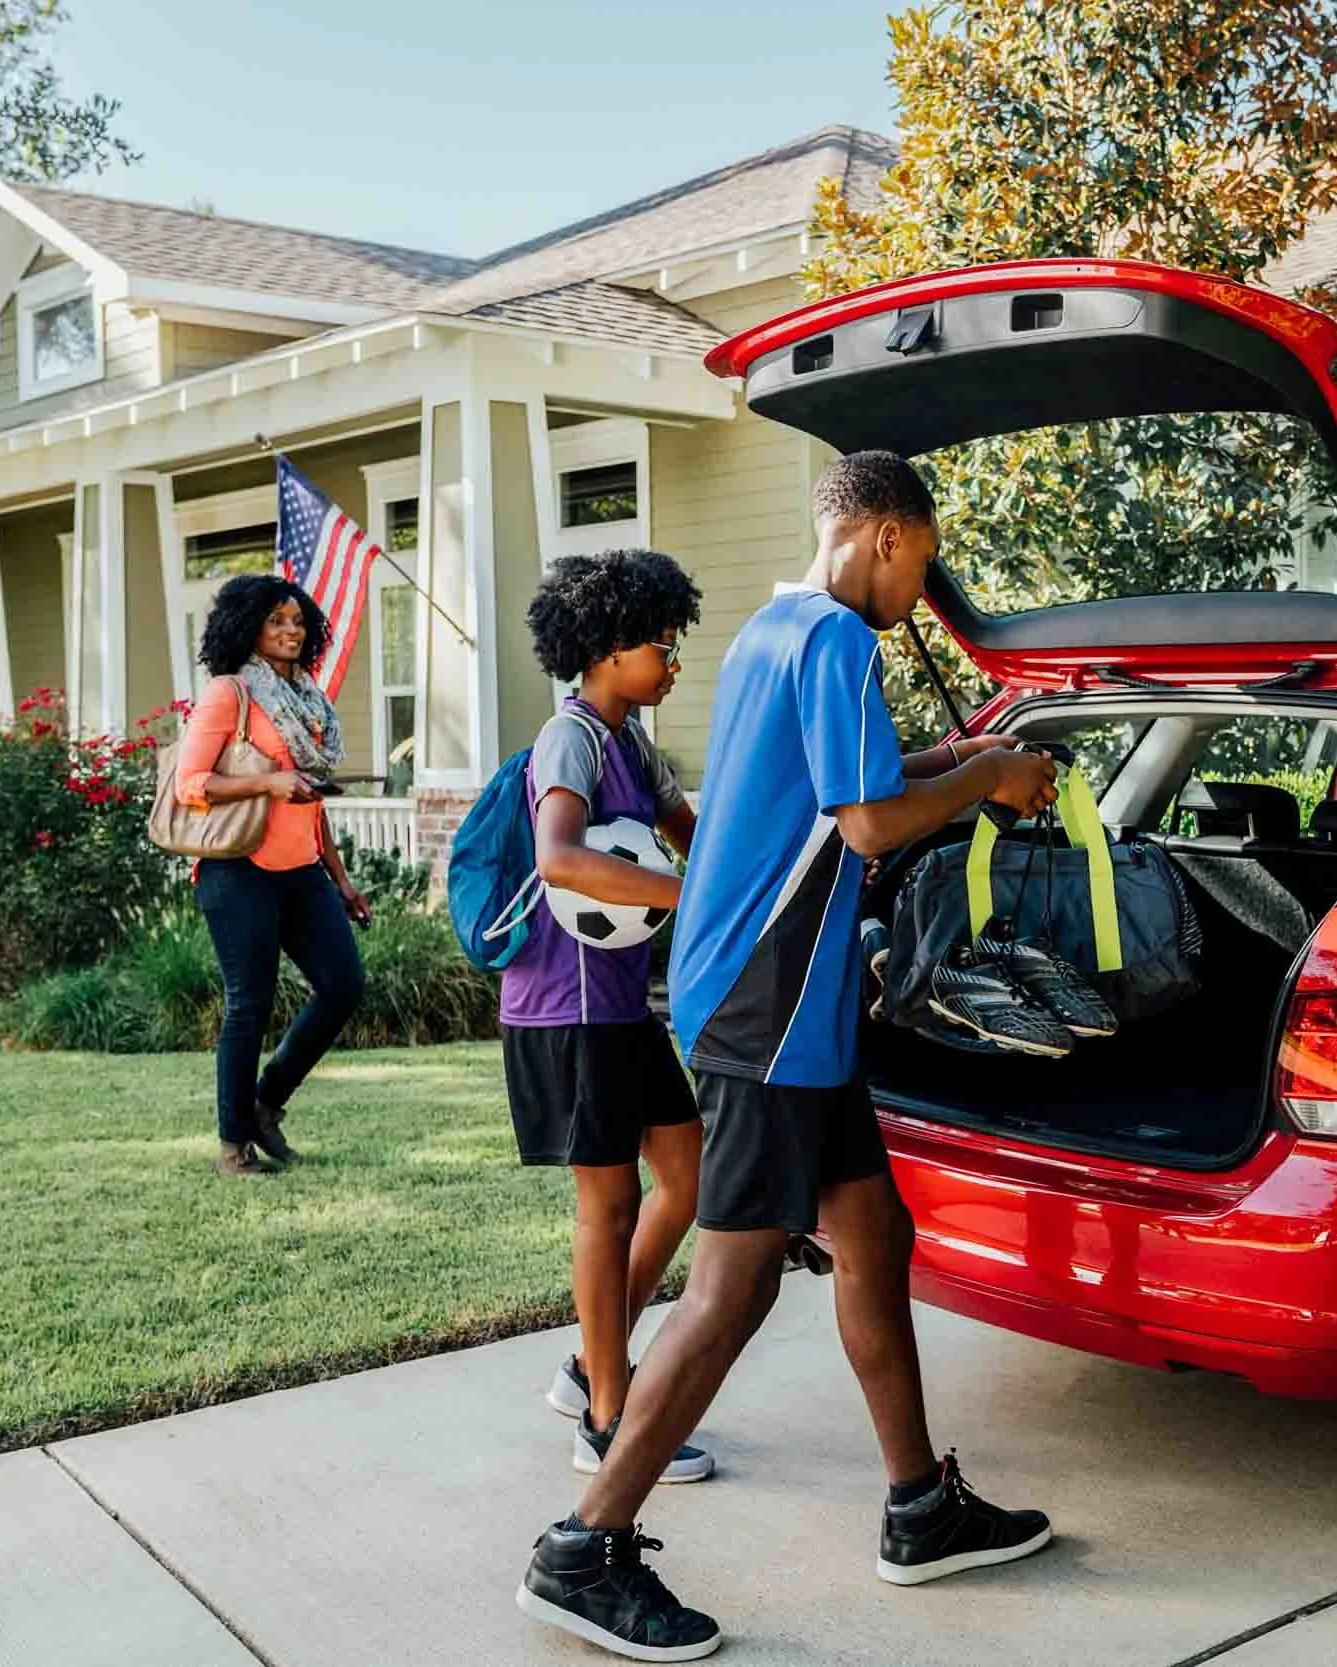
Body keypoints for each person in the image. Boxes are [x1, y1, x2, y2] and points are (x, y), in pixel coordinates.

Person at [517, 452, 1061, 1661]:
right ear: (877, 535)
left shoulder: (780, 629)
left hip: (783, 1007)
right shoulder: (834, 643)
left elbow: (845, 790)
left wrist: (971, 757)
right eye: (921, 559)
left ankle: (920, 1506)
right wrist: (985, 778)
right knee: (736, 1285)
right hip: (767, 1005)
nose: (923, 584)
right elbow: (868, 824)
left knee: (873, 1238)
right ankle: (582, 1547)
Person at [507, 549, 716, 1485]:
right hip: (568, 1008)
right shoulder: (575, 740)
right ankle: (606, 1418)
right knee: (610, 1201)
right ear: (602, 648)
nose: (672, 659)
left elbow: (696, 838)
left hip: (623, 1004)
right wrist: (689, 893)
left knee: (688, 1175)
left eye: (673, 641)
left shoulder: (633, 744)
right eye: (658, 644)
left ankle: (592, 1361)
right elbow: (559, 858)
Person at [172, 573, 371, 1178]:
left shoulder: (307, 698)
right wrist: (268, 781)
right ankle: (233, 1147)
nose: (290, 631)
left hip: (302, 870)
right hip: (238, 871)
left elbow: (312, 802)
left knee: (343, 986)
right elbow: (190, 785)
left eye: (297, 622)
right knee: (248, 1007)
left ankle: (267, 1103)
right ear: (248, 628)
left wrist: (340, 878)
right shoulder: (230, 694)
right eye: (275, 621)